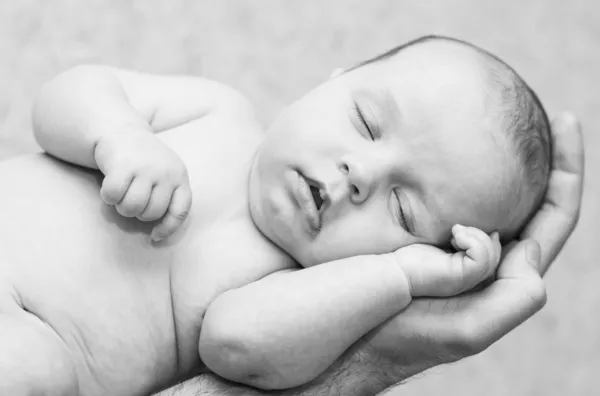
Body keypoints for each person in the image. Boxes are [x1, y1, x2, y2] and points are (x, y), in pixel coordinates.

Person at [0, 35, 583, 396]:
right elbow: (66, 95)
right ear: (333, 81)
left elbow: (236, 346)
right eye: (367, 123)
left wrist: (401, 280)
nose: (361, 173)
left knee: (35, 373)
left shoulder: (296, 290)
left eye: (403, 209)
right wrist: (117, 134)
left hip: (28, 347)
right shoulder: (216, 111)